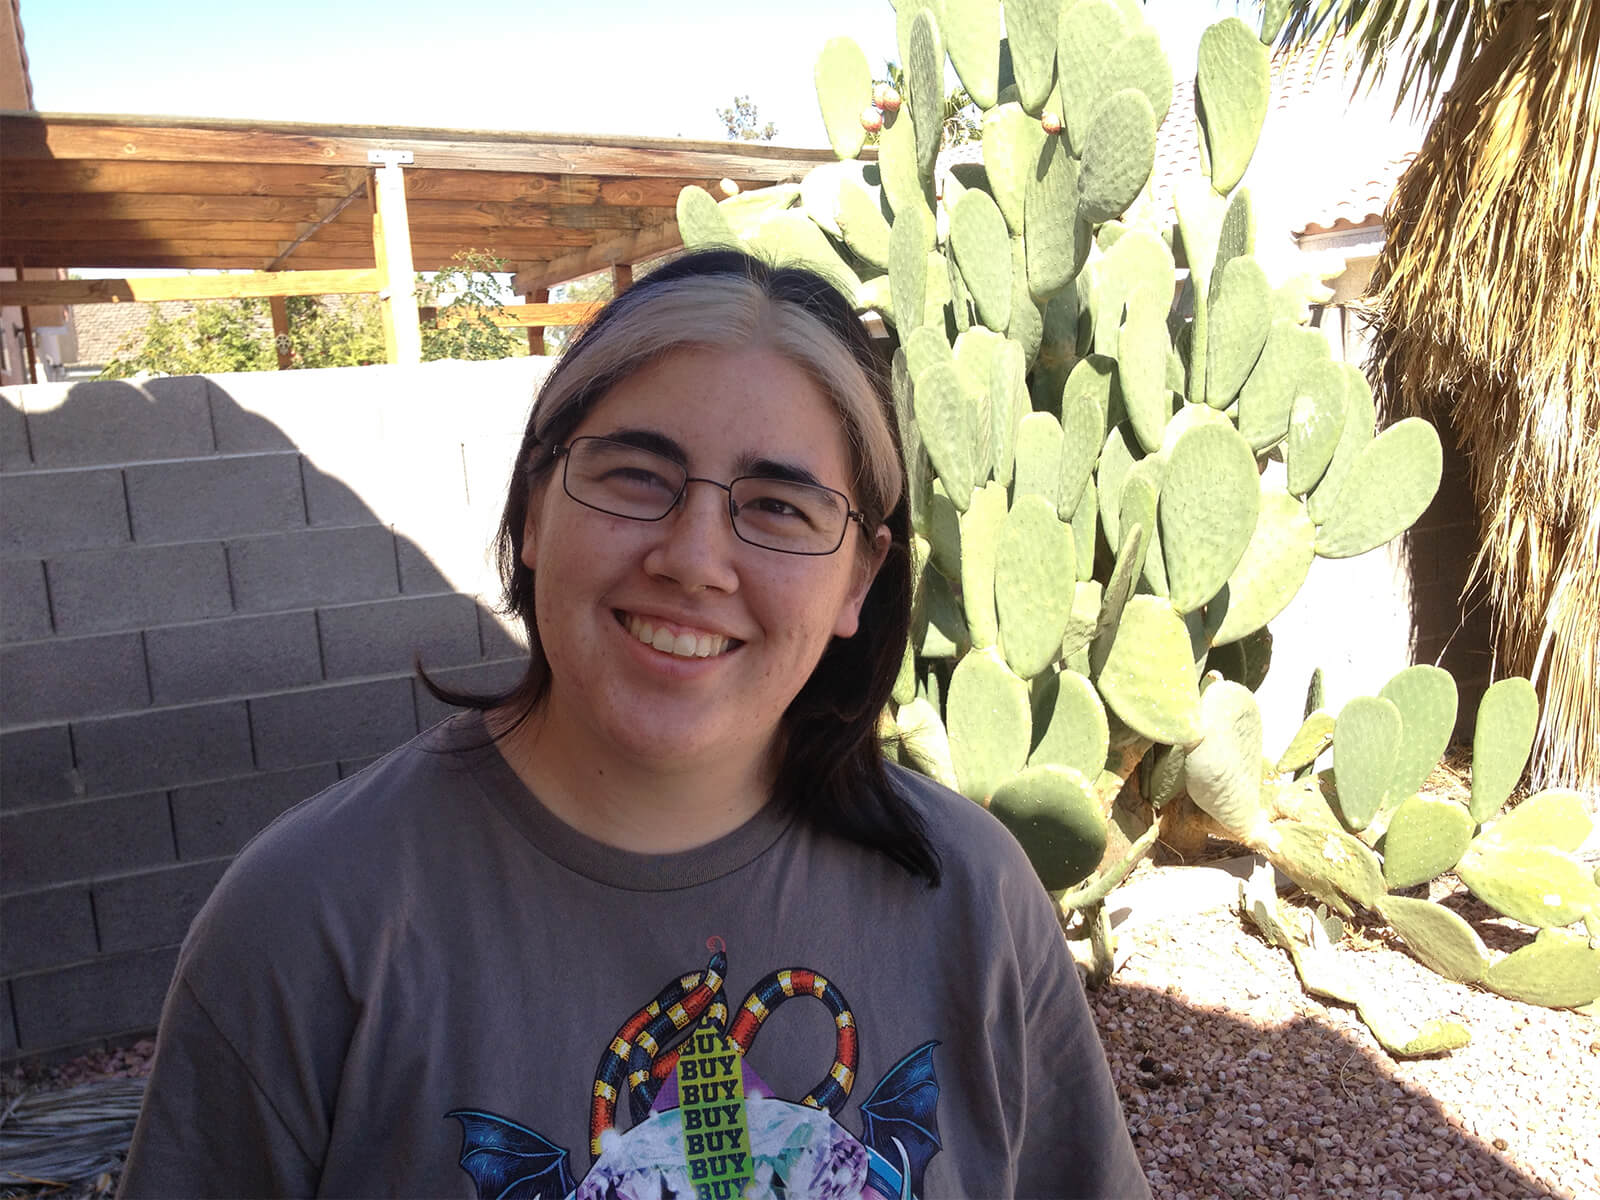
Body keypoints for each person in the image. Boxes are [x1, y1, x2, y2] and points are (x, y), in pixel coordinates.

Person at [118, 249, 1149, 1199]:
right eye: (635, 477)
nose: (694, 560)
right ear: (533, 510)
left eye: (780, 507)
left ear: (858, 578)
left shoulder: (973, 901)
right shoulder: (308, 922)